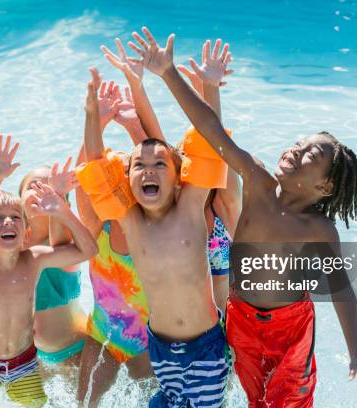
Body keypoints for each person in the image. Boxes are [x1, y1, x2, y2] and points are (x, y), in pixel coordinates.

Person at [131, 27, 357, 406]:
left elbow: (341, 290)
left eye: (310, 157)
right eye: (299, 143)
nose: (295, 150)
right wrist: (169, 73)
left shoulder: (318, 229)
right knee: (256, 401)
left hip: (291, 329)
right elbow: (210, 130)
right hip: (241, 322)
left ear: (326, 189)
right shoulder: (256, 180)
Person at [77, 67, 229, 408]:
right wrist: (92, 118)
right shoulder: (130, 221)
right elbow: (98, 168)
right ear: (126, 182)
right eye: (138, 165)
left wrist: (209, 89)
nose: (148, 170)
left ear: (178, 179)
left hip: (204, 347)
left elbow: (208, 142)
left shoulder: (191, 208)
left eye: (160, 164)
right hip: (158, 349)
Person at [102, 36, 241, 314]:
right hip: (183, 333)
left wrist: (210, 90)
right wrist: (136, 85)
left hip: (232, 327)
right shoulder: (178, 208)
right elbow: (156, 146)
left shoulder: (224, 205)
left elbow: (214, 143)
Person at [0, 176, 97, 407]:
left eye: (16, 217)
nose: (8, 222)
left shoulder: (33, 260)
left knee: (36, 404)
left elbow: (88, 250)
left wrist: (63, 211)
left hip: (24, 364)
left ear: (26, 233)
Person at [74, 73, 154, 407]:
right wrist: (97, 121)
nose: (115, 182)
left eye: (124, 173)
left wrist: (134, 126)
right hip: (101, 334)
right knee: (84, 402)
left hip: (148, 341)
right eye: (110, 176)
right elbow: (84, 178)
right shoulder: (98, 225)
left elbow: (160, 163)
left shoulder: (152, 226)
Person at [0, 134, 87, 370]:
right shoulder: (8, 243)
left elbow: (61, 238)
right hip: (33, 354)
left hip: (73, 349)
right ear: (18, 200)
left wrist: (59, 198)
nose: (42, 192)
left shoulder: (61, 245)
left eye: (49, 188)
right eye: (34, 186)